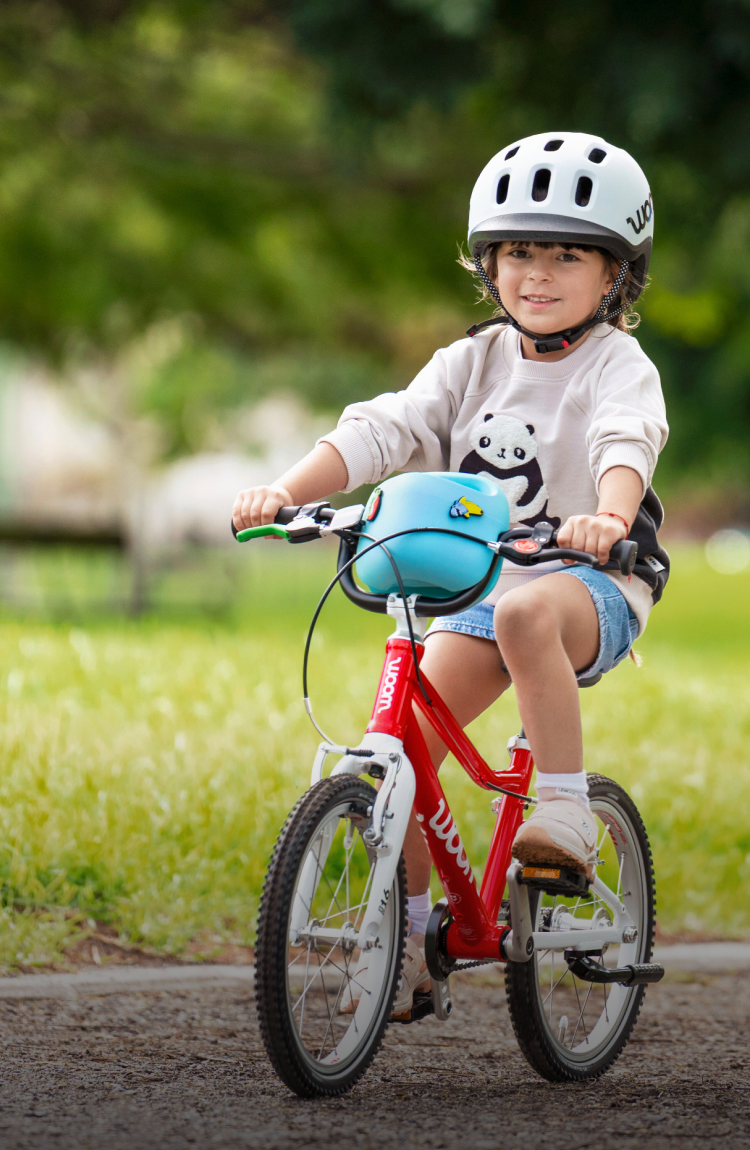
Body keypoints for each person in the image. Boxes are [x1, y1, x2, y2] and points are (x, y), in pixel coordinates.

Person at [232, 132, 669, 1017]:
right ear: (487, 263)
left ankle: (565, 809)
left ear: (616, 275)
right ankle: (417, 942)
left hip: (593, 585)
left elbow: (626, 440)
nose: (536, 275)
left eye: (566, 255)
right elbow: (382, 429)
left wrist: (610, 519)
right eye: (516, 253)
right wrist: (288, 492)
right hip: (485, 586)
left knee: (525, 619)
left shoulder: (617, 364)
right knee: (399, 757)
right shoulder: (471, 362)